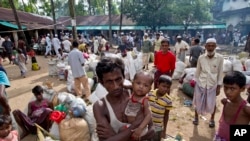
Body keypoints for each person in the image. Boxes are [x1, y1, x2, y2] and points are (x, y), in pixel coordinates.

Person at [93, 57, 154, 141]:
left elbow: (152, 130)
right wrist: (134, 126)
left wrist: (116, 136)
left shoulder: (137, 94)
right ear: (101, 83)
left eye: (118, 79)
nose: (116, 86)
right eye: (109, 82)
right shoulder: (100, 106)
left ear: (124, 77)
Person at [192, 38, 224, 128]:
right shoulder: (201, 58)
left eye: (212, 46)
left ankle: (212, 119)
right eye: (208, 46)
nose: (210, 48)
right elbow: (197, 71)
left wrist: (218, 87)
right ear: (205, 46)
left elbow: (220, 73)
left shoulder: (220, 58)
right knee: (197, 101)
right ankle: (196, 117)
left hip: (212, 85)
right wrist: (195, 81)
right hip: (201, 83)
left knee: (212, 102)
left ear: (215, 46)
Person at [214, 71, 250, 141]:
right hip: (219, 138)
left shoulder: (246, 108)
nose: (227, 92)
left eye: (232, 89)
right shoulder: (225, 102)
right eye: (225, 88)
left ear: (242, 89)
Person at [120, 71, 153, 139]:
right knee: (121, 131)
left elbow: (148, 115)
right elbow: (129, 87)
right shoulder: (133, 93)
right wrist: (122, 85)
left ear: (149, 89)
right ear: (133, 83)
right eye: (138, 83)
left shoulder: (144, 100)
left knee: (127, 134)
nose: (141, 87)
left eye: (145, 85)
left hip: (140, 128)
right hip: (131, 125)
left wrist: (140, 129)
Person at [148, 75, 173, 141]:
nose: (165, 89)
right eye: (163, 86)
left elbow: (166, 115)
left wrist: (164, 130)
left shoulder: (168, 100)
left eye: (168, 87)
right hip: (147, 124)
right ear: (158, 84)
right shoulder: (150, 93)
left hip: (158, 127)